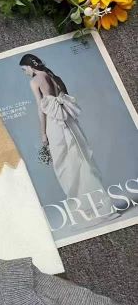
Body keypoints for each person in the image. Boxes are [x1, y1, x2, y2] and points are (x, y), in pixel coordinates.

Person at [19, 53, 117, 223]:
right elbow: (65, 99)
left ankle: (87, 210)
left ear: (30, 66)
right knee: (81, 160)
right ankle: (100, 206)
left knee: (65, 165)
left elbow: (41, 109)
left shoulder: (34, 81)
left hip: (54, 124)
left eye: (24, 69)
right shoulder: (55, 77)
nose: (24, 72)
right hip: (69, 122)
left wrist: (43, 133)